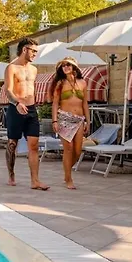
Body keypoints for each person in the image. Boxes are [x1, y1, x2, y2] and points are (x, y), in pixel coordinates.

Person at [3, 37, 49, 190]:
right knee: (12, 144)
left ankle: (35, 181)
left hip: (31, 109)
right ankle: (11, 174)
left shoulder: (34, 69)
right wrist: (17, 103)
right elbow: (8, 90)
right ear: (24, 49)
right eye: (33, 51)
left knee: (34, 145)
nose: (35, 54)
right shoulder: (11, 68)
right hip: (15, 108)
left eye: (36, 51)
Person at [49, 57, 90, 189]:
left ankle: (66, 171)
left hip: (79, 119)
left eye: (68, 65)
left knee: (77, 151)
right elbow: (55, 103)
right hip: (64, 118)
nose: (66, 67)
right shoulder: (60, 83)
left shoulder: (82, 83)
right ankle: (69, 178)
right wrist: (54, 120)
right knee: (68, 149)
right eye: (63, 65)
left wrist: (88, 121)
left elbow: (85, 103)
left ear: (74, 67)